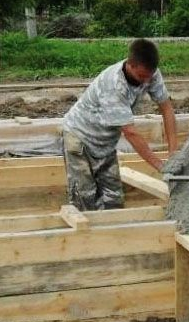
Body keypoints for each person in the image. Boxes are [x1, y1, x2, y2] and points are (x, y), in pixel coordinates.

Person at [62, 38, 178, 211]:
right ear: (130, 65)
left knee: (113, 201)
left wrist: (173, 153)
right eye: (141, 77)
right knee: (85, 202)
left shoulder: (150, 74)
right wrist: (161, 166)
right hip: (80, 138)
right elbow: (130, 132)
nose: (146, 82)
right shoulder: (114, 86)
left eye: (149, 77)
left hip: (106, 143)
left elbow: (166, 108)